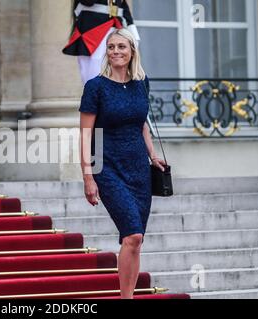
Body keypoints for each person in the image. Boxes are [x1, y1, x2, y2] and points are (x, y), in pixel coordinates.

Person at [79, 28, 166, 299]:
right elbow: (85, 134)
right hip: (107, 168)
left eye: (122, 47)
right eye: (112, 46)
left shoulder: (142, 83)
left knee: (136, 241)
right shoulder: (95, 87)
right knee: (132, 234)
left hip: (139, 169)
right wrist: (88, 176)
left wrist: (153, 156)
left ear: (132, 52)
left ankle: (126, 296)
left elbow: (143, 126)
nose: (116, 51)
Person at [63, 0, 141, 85]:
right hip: (91, 32)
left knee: (116, 68)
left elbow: (123, 8)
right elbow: (88, 2)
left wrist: (133, 33)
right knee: (92, 70)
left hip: (114, 29)